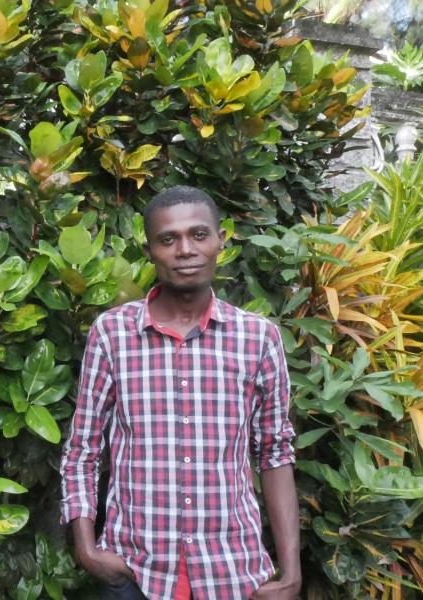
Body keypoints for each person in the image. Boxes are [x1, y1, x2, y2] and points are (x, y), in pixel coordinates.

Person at [59, 186, 301, 600]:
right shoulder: (112, 334)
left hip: (233, 574)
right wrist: (86, 547)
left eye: (199, 234)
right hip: (134, 575)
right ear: (150, 249)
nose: (185, 249)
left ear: (221, 240)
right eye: (168, 239)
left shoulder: (258, 338)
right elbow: (82, 449)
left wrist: (291, 573)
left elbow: (274, 453)